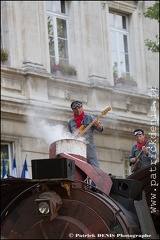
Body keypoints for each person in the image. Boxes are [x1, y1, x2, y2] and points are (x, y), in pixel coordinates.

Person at [67, 100, 103, 168]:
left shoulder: (89, 117)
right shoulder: (71, 122)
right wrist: (70, 134)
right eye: (75, 109)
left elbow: (101, 128)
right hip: (76, 148)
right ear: (73, 110)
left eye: (79, 108)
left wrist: (98, 125)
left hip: (88, 147)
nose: (78, 110)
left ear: (82, 108)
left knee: (94, 166)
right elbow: (67, 133)